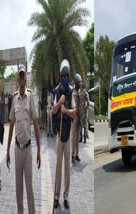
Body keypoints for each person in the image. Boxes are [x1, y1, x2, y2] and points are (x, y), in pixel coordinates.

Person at [6, 64, 41, 214]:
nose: (22, 78)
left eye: (23, 75)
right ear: (17, 79)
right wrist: (7, 150)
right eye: (20, 75)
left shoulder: (30, 96)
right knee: (18, 189)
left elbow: (36, 123)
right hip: (17, 150)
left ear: (26, 78)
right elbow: (11, 125)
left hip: (28, 150)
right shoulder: (14, 99)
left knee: (29, 189)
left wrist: (39, 150)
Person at [52, 59, 76, 209]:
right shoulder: (56, 91)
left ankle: (66, 196)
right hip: (59, 134)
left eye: (66, 76)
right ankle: (56, 196)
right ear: (60, 76)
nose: (64, 78)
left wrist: (66, 110)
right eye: (63, 76)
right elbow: (53, 110)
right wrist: (60, 102)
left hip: (68, 133)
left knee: (67, 168)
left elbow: (74, 112)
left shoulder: (71, 91)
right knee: (58, 167)